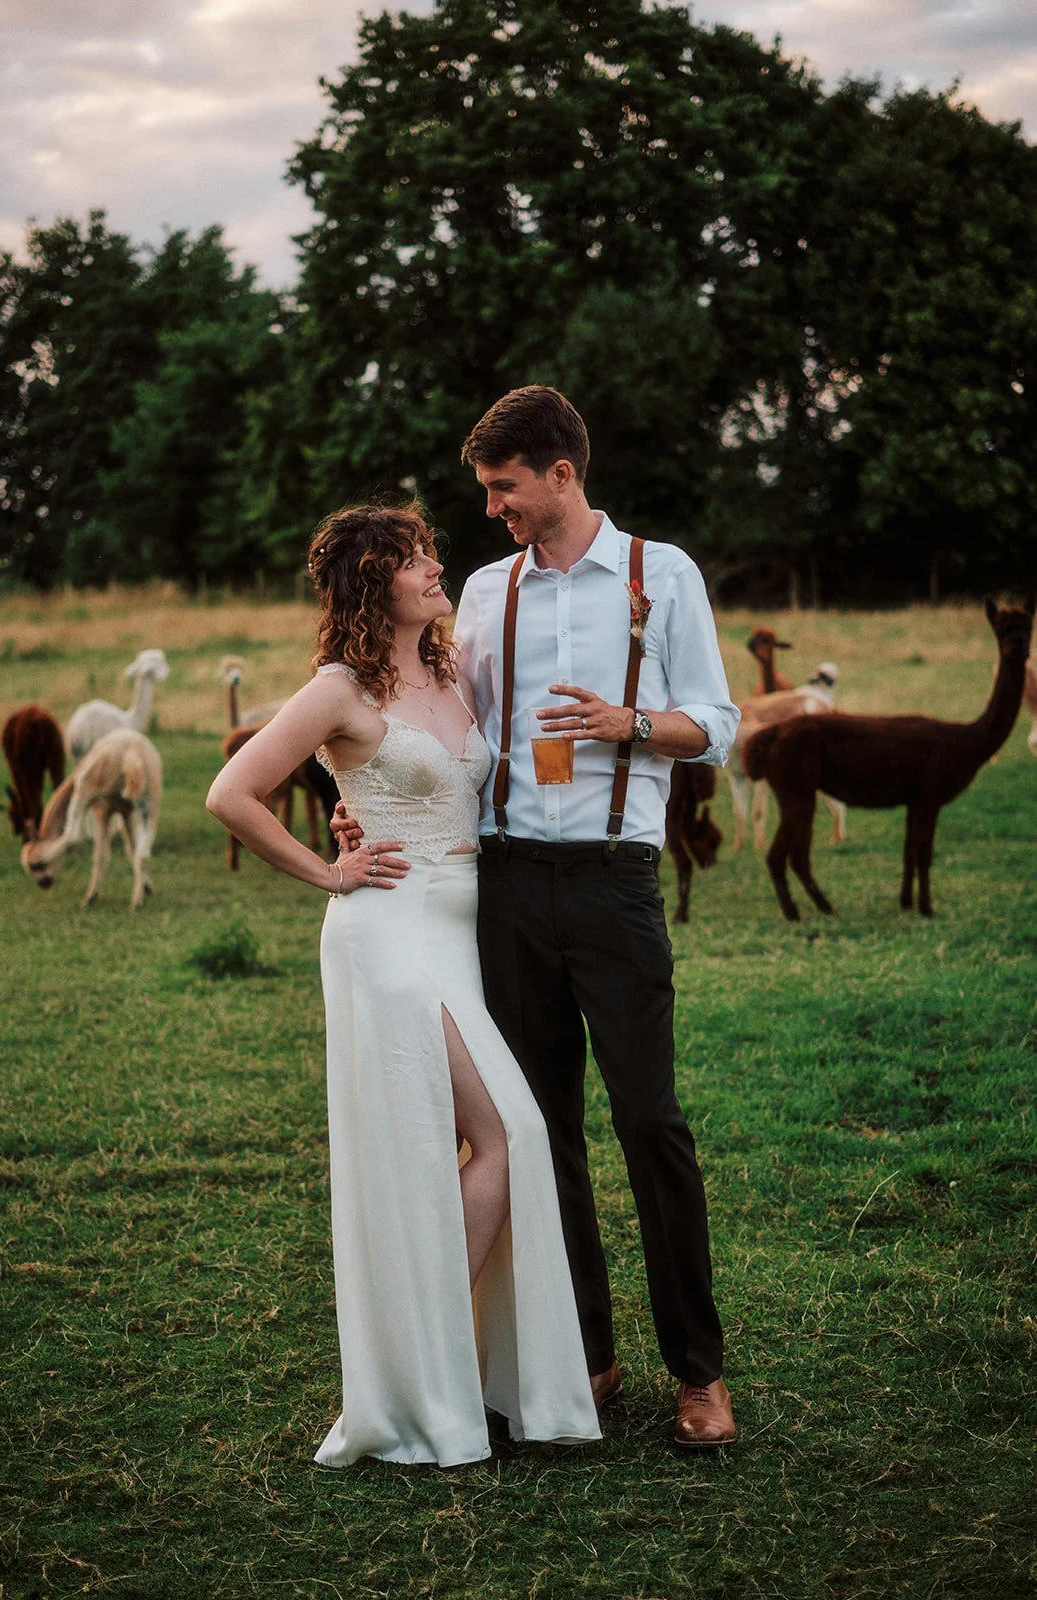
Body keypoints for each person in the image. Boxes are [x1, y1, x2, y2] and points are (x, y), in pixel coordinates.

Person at [341, 388, 741, 1447]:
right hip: (506, 887)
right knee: (540, 1127)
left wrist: (630, 723)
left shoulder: (664, 577)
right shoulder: (479, 593)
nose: (492, 508)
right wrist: (363, 792)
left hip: (614, 878)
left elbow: (719, 723)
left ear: (560, 473)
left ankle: (696, 1371)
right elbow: (428, 713)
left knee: (649, 1120)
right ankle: (586, 1356)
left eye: (502, 486)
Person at [205, 501, 601, 1468]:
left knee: (491, 1138)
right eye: (412, 559)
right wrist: (329, 866)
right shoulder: (338, 688)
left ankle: (456, 1370)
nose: (434, 567)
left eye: (430, 553)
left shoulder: (451, 665)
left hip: (461, 931)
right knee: (506, 1132)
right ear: (368, 584)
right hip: (387, 931)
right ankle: (422, 1376)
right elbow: (231, 793)